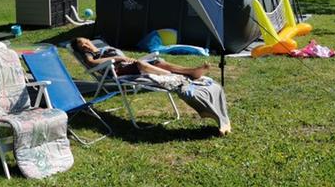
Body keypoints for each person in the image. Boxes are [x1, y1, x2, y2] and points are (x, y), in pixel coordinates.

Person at [70, 37, 231, 136]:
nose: (84, 45)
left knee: (158, 61)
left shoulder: (104, 47)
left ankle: (191, 72)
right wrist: (117, 59)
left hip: (130, 64)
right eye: (81, 45)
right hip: (120, 71)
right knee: (142, 64)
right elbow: (91, 63)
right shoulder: (91, 55)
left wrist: (123, 58)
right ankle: (174, 76)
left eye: (85, 41)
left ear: (90, 41)